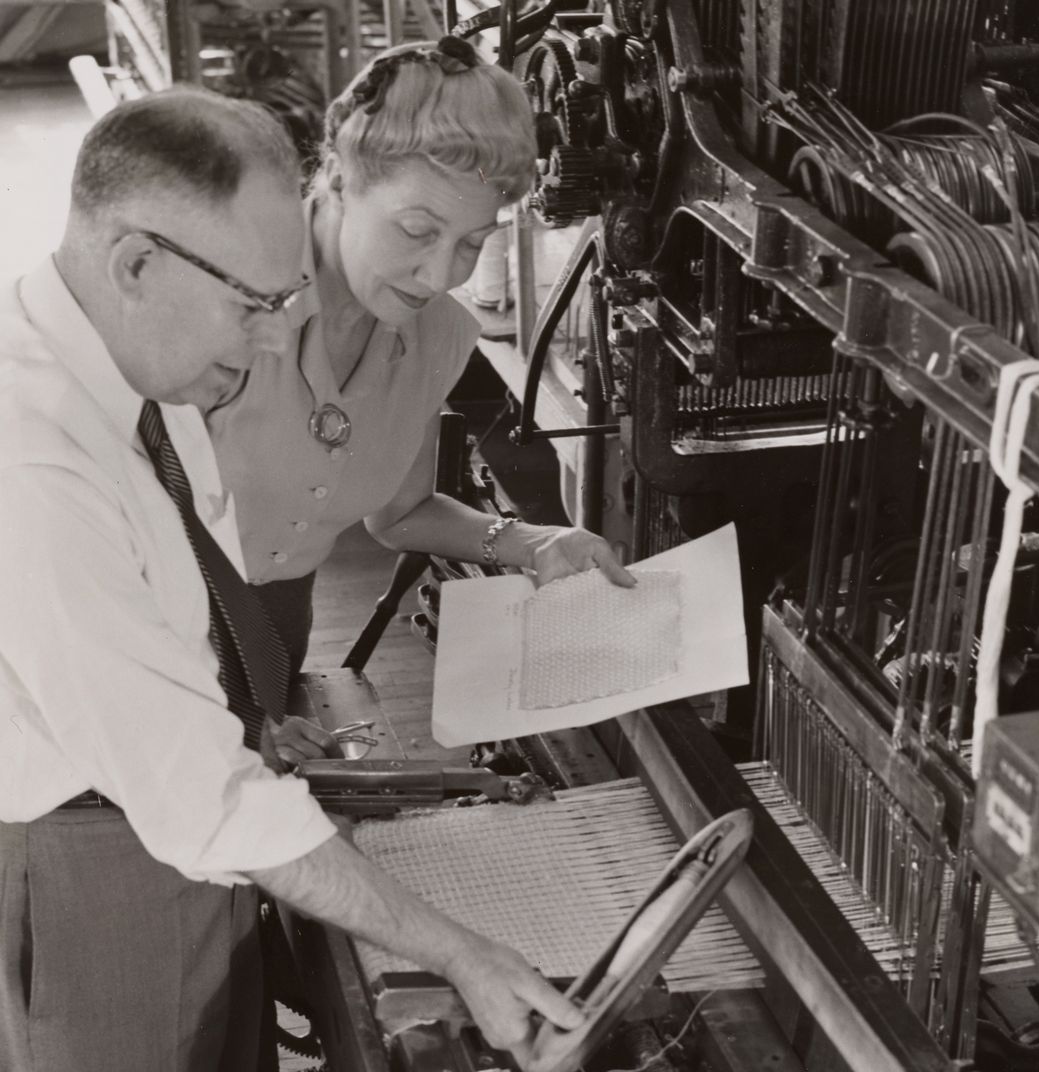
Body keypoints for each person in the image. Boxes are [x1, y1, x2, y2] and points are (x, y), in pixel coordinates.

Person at [0, 87, 583, 1072]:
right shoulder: (34, 465)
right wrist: (459, 951)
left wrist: (255, 718)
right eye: (253, 307)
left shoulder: (147, 366)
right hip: (91, 860)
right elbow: (196, 796)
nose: (275, 340)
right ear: (136, 262)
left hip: (162, 829)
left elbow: (192, 602)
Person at [206, 36, 635, 679]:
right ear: (340, 179)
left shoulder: (434, 334)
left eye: (472, 243)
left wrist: (532, 541)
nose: (439, 276)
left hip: (273, 629)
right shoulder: (215, 294)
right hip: (139, 627)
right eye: (416, 230)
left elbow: (400, 514)